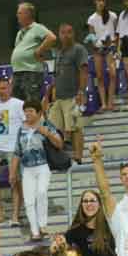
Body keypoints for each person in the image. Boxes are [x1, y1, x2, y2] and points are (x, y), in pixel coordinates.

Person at [15, 101, 65, 240]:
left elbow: (60, 144)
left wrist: (47, 133)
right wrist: (13, 172)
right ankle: (35, 231)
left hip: (43, 165)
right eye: (26, 111)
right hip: (27, 168)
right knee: (29, 201)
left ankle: (43, 225)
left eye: (31, 111)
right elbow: (17, 151)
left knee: (41, 192)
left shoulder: (46, 124)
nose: (27, 113)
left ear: (38, 113)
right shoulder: (21, 129)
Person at [47, 23, 89, 165]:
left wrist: (81, 92)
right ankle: (60, 159)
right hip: (58, 98)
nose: (66, 35)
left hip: (73, 96)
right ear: (59, 35)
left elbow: (84, 71)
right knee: (53, 128)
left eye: (69, 32)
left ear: (74, 34)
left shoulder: (79, 49)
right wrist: (51, 94)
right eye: (63, 33)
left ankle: (78, 157)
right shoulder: (59, 53)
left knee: (75, 127)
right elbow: (57, 75)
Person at [0, 77, 25, 227]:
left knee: (14, 182)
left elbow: (26, 124)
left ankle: (15, 215)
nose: (1, 91)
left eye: (4, 88)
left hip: (13, 149)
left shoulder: (19, 104)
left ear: (10, 88)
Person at [65, 189, 117, 256]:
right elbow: (64, 248)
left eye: (92, 200)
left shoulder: (110, 225)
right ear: (81, 205)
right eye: (85, 201)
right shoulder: (75, 230)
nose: (89, 204)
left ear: (99, 204)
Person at [9, 1, 56, 108]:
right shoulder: (20, 33)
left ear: (27, 14)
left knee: (32, 103)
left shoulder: (37, 28)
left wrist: (39, 50)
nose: (17, 15)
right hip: (18, 72)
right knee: (17, 105)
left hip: (31, 72)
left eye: (19, 13)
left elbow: (52, 38)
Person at [87, 0, 120, 113]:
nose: (100, 3)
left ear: (105, 2)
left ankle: (111, 103)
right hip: (98, 50)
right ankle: (104, 104)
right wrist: (97, 45)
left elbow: (117, 33)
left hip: (110, 48)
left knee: (113, 74)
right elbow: (91, 36)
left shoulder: (112, 16)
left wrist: (115, 46)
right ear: (95, 2)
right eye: (98, 0)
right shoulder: (92, 19)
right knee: (100, 76)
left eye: (102, 0)